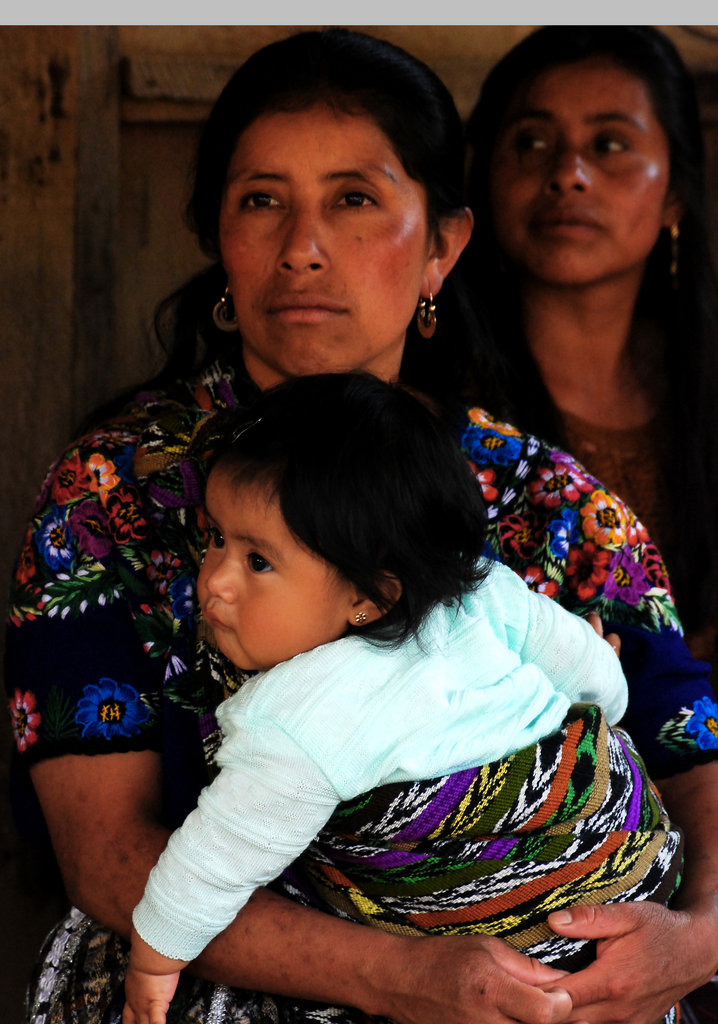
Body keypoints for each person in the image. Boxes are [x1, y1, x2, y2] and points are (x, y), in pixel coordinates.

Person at [3, 26, 718, 1024]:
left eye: (354, 200)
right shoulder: (115, 491)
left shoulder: (544, 501)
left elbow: (689, 745)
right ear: (220, 237)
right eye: (263, 201)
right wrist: (411, 977)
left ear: (442, 246)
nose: (302, 247)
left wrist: (693, 939)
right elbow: (106, 852)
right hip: (223, 984)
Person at [122, 371, 682, 1024]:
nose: (214, 580)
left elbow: (213, 862)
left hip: (511, 933)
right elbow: (588, 669)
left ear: (370, 596)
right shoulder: (485, 595)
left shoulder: (301, 716)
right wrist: (606, 701)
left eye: (259, 563)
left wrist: (153, 963)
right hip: (631, 870)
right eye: (217, 538)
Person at [465, 25, 718, 674]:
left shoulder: (706, 382)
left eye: (609, 144)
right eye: (532, 143)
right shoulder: (437, 400)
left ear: (675, 195)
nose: (568, 175)